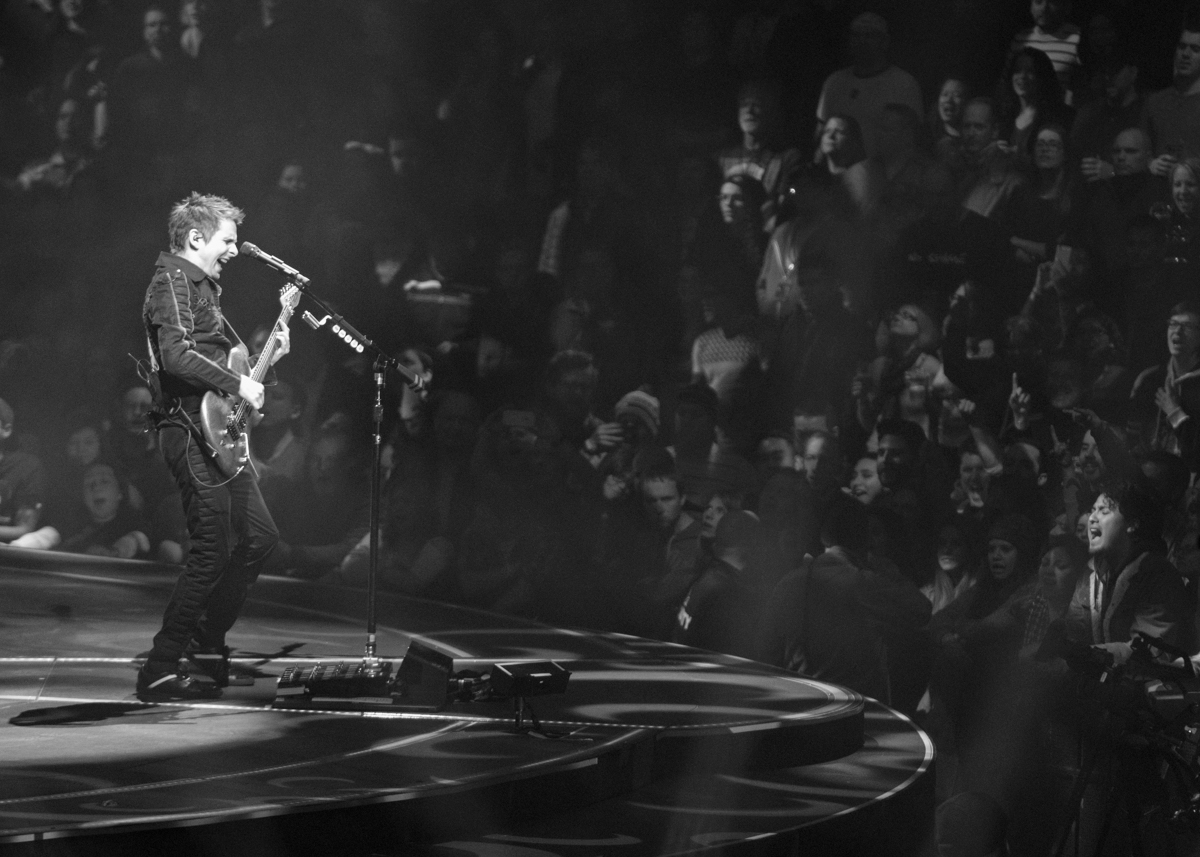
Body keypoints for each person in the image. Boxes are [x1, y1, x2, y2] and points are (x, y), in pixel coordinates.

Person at [137, 192, 289, 701]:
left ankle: (204, 644)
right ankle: (160, 665)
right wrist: (238, 384)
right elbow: (176, 356)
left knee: (260, 537)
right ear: (197, 237)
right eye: (227, 240)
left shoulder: (204, 289)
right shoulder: (170, 281)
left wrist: (262, 364)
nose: (233, 249)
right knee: (210, 548)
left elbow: (225, 365)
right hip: (186, 431)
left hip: (219, 434)